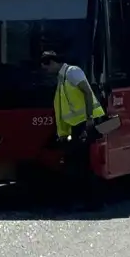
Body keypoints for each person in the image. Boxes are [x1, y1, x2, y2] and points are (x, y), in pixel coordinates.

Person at [41, 50, 106, 210]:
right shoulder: (62, 78)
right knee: (76, 164)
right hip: (75, 127)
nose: (46, 71)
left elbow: (87, 92)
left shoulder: (73, 72)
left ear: (52, 62)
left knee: (82, 164)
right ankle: (84, 202)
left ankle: (93, 202)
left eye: (46, 67)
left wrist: (90, 118)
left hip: (83, 125)